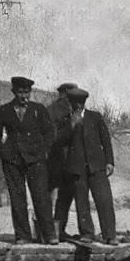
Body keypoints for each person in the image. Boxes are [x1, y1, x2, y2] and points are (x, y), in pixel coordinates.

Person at [0, 76, 57, 244]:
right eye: (20, 92)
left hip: (36, 160)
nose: (24, 96)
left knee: (41, 196)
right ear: (14, 92)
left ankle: (49, 235)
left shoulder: (39, 109)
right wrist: (4, 153)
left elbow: (50, 132)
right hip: (13, 160)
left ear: (30, 92)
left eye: (26, 92)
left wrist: (43, 152)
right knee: (17, 198)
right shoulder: (4, 110)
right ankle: (23, 236)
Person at [55, 88, 117, 245]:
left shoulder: (95, 117)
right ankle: (87, 233)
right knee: (81, 202)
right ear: (70, 103)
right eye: (75, 103)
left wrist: (109, 161)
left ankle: (110, 235)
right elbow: (59, 141)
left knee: (104, 200)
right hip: (77, 169)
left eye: (81, 103)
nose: (78, 106)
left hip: (97, 166)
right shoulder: (65, 120)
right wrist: (71, 126)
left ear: (84, 103)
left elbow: (106, 141)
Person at [48, 81, 78, 235]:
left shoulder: (72, 109)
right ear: (64, 93)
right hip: (57, 159)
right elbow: (53, 136)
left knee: (64, 197)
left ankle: (59, 230)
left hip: (66, 160)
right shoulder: (55, 110)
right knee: (57, 197)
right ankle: (51, 230)